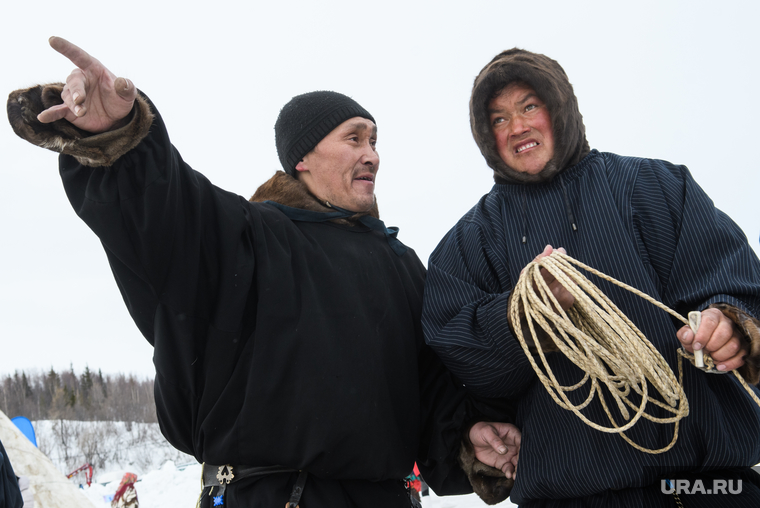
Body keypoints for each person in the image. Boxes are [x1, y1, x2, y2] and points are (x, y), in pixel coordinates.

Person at [7, 38, 520, 507]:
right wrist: (120, 136)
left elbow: (429, 394)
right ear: (302, 157)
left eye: (375, 141)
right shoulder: (247, 238)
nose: (373, 155)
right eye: (355, 138)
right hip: (271, 496)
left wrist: (467, 438)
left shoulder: (402, 266)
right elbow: (166, 209)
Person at [422, 48, 760, 507]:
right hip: (571, 498)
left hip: (706, 488)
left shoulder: (656, 186)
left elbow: (735, 281)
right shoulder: (469, 242)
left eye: (529, 106)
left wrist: (730, 325)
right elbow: (458, 356)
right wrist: (526, 314)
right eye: (499, 119)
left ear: (560, 108)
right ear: (485, 136)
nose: (517, 126)